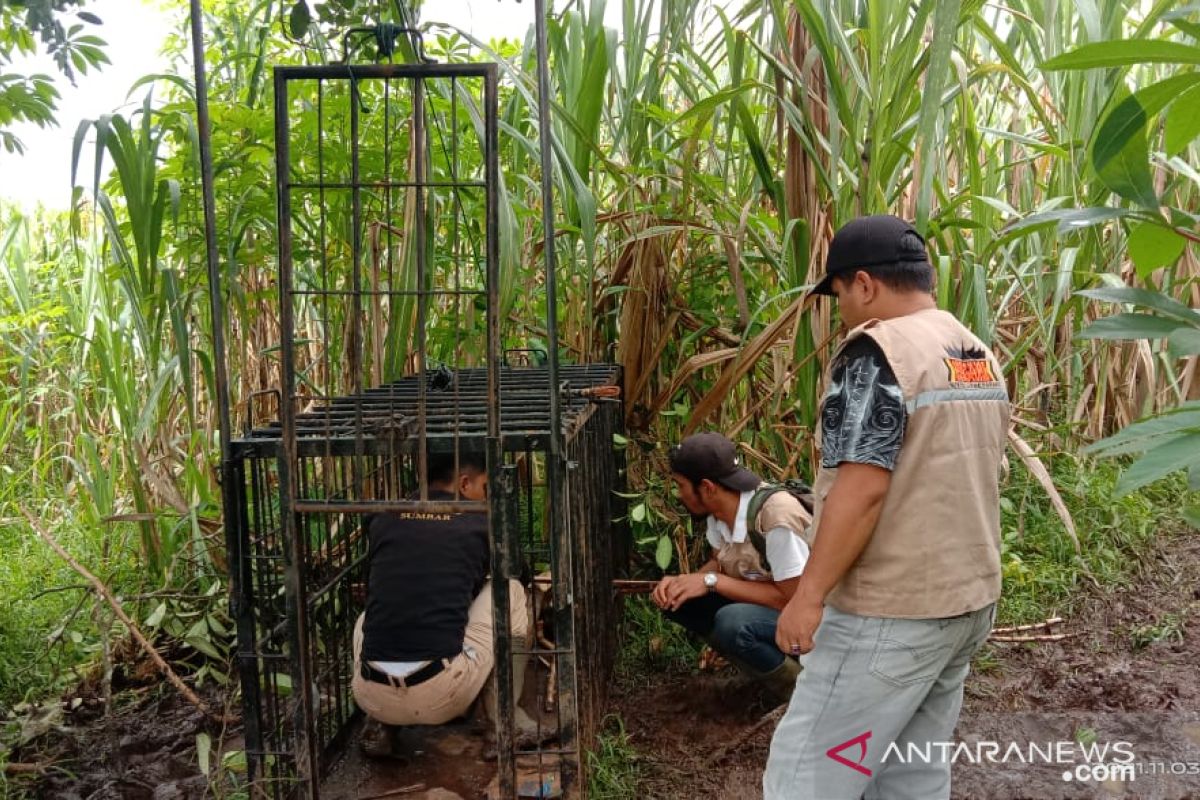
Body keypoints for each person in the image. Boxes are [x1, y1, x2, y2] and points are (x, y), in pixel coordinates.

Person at [763, 215, 1010, 799]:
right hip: (966, 600)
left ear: (865, 284)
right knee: (910, 776)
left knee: (805, 778)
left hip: (890, 613)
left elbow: (863, 487)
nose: (842, 309)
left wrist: (809, 595)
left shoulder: (880, 351)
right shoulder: (973, 352)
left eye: (840, 293)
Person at [350, 450, 544, 757]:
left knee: (368, 617)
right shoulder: (478, 522)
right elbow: (513, 570)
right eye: (483, 488)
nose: (484, 498)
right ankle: (506, 724)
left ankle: (379, 726)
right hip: (440, 693)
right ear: (464, 484)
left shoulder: (383, 515)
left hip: (369, 692)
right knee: (512, 591)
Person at [652, 431, 812, 699]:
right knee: (679, 600)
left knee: (733, 623)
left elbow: (794, 601)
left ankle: (800, 692)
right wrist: (684, 583)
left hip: (812, 620)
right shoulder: (718, 514)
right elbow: (719, 562)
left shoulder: (776, 519)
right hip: (771, 608)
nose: (678, 495)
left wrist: (710, 582)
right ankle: (758, 670)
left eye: (680, 486)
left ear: (707, 488)